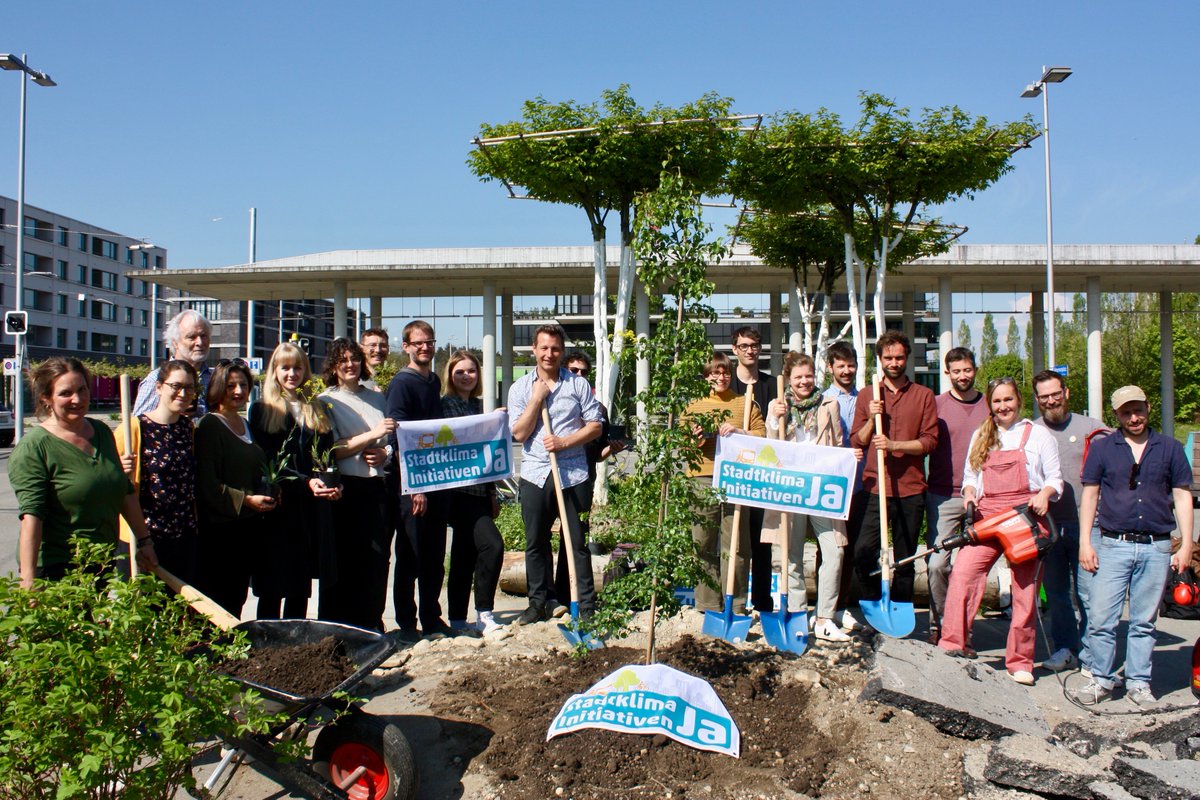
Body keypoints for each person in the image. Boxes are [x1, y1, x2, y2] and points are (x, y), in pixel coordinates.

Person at [1072, 386, 1194, 707]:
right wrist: (1086, 542)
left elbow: (1182, 496)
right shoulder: (1103, 449)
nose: (1134, 417)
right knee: (1101, 618)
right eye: (1126, 412)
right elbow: (1090, 496)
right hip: (1112, 544)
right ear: (1117, 415)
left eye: (1138, 409)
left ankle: (1139, 683)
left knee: (1144, 621)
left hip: (1156, 547)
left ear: (1148, 407)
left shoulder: (1169, 448)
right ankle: (1101, 678)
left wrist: (1186, 545)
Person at [937, 377, 1062, 685]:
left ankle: (1020, 661)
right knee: (963, 573)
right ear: (990, 405)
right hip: (988, 514)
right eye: (997, 401)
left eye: (1008, 400)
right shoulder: (983, 434)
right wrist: (968, 493)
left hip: (1025, 518)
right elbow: (971, 477)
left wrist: (1044, 495)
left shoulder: (1039, 435)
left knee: (1025, 591)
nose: (1003, 406)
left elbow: (1055, 479)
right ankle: (953, 643)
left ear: (1018, 400)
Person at [11, 358, 157, 589]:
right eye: (65, 393)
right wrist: (28, 580)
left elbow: (125, 493)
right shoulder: (35, 447)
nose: (77, 400)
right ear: (46, 399)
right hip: (57, 568)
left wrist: (144, 541)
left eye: (82, 390)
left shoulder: (100, 431)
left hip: (100, 561)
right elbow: (32, 516)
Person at [508, 324, 603, 625]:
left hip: (573, 474)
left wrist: (564, 442)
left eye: (555, 348)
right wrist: (537, 398)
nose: (549, 354)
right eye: (544, 348)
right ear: (534, 350)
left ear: (562, 351)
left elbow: (595, 425)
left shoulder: (577, 385)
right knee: (535, 542)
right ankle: (538, 603)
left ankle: (584, 605)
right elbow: (520, 433)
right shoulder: (520, 388)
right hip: (536, 473)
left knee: (576, 543)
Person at [248, 342, 342, 620]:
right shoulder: (262, 409)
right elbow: (269, 460)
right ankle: (268, 641)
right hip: (278, 506)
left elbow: (327, 454)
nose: (292, 374)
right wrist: (304, 482)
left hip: (308, 510)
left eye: (297, 367)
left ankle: (297, 641)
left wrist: (334, 482)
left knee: (300, 584)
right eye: (285, 368)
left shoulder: (315, 407)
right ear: (274, 371)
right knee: (273, 583)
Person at [767, 351, 853, 642]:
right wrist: (773, 419)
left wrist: (847, 459)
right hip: (790, 488)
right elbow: (768, 445)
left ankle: (825, 616)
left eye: (808, 376)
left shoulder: (829, 404)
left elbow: (839, 444)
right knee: (789, 555)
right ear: (789, 380)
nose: (804, 382)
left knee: (834, 550)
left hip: (821, 489)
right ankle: (798, 612)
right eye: (798, 377)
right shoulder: (778, 405)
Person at [851, 331, 938, 614]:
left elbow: (929, 441)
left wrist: (893, 445)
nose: (894, 362)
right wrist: (873, 418)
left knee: (904, 558)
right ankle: (874, 605)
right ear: (880, 359)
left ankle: (900, 610)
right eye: (888, 357)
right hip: (875, 487)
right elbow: (858, 441)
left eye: (899, 357)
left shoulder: (923, 395)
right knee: (863, 551)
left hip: (910, 489)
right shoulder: (868, 395)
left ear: (907, 358)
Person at [1031, 370, 1109, 673]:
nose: (1051, 400)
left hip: (1088, 527)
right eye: (1044, 396)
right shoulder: (1032, 431)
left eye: (1055, 394)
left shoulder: (1093, 428)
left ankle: (1092, 655)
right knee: (1058, 594)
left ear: (1066, 392)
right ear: (1037, 400)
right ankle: (1066, 649)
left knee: (1089, 594)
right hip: (1047, 526)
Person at [320, 338, 397, 631]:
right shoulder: (327, 401)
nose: (350, 364)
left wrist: (384, 451)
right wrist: (371, 436)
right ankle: (344, 627)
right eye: (343, 360)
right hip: (348, 491)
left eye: (354, 358)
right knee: (349, 561)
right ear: (333, 367)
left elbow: (389, 440)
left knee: (377, 561)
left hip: (378, 487)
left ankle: (372, 623)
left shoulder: (378, 398)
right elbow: (333, 450)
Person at [684, 352, 766, 615]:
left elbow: (762, 436)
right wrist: (695, 440)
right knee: (703, 541)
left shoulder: (745, 403)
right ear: (706, 376)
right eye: (714, 373)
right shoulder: (693, 406)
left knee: (737, 545)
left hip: (736, 478)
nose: (720, 377)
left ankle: (736, 601)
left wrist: (739, 431)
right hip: (703, 477)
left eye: (725, 372)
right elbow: (682, 445)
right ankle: (708, 603)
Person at [194, 360, 277, 617]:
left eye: (243, 385)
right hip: (222, 532)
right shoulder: (211, 426)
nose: (239, 391)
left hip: (247, 528)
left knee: (237, 597)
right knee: (219, 599)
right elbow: (207, 483)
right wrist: (247, 500)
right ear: (219, 388)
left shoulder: (245, 424)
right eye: (231, 386)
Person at [387, 320, 453, 640]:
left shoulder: (433, 381)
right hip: (412, 485)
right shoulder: (402, 383)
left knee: (434, 557)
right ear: (407, 347)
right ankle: (406, 623)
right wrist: (415, 487)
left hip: (436, 480)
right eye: (418, 343)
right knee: (410, 556)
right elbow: (400, 439)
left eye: (429, 342)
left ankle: (431, 616)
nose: (425, 347)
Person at [924, 348, 989, 644]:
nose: (963, 376)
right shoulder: (935, 405)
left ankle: (964, 629)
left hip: (983, 498)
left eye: (968, 370)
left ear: (975, 369)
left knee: (971, 570)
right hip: (942, 494)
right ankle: (939, 624)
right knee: (937, 565)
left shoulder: (990, 406)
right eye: (956, 371)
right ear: (947, 373)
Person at [116, 360, 200, 583]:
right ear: (159, 387)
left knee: (182, 613)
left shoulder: (188, 429)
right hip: (146, 539)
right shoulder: (133, 428)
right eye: (176, 386)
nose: (183, 393)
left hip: (184, 537)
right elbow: (112, 483)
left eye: (189, 388)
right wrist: (119, 469)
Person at [441, 350, 504, 635]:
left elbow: (487, 455)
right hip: (456, 494)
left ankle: (457, 619)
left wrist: (492, 493)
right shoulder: (445, 406)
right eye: (460, 372)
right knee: (492, 545)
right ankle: (484, 612)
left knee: (464, 554)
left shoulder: (478, 407)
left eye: (471, 371)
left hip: (479, 492)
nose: (466, 376)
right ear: (450, 375)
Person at [730, 326, 777, 613]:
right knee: (734, 542)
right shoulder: (725, 385)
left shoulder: (773, 386)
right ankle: (734, 602)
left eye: (755, 345)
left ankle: (762, 601)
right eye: (744, 346)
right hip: (735, 475)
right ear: (735, 349)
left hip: (764, 474)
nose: (750, 350)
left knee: (762, 542)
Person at [823, 341, 867, 631]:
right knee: (828, 548)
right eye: (841, 366)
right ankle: (824, 607)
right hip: (831, 484)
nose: (847, 370)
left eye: (851, 365)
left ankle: (841, 608)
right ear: (831, 368)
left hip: (860, 483)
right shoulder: (823, 399)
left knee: (851, 548)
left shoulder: (865, 399)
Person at [133, 309, 213, 417]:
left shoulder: (215, 378)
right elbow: (140, 425)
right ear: (175, 343)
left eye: (203, 336)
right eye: (191, 337)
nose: (199, 342)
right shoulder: (156, 379)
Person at [360, 327, 390, 392]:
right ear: (362, 349)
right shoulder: (353, 380)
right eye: (372, 345)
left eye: (383, 345)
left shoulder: (395, 380)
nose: (378, 350)